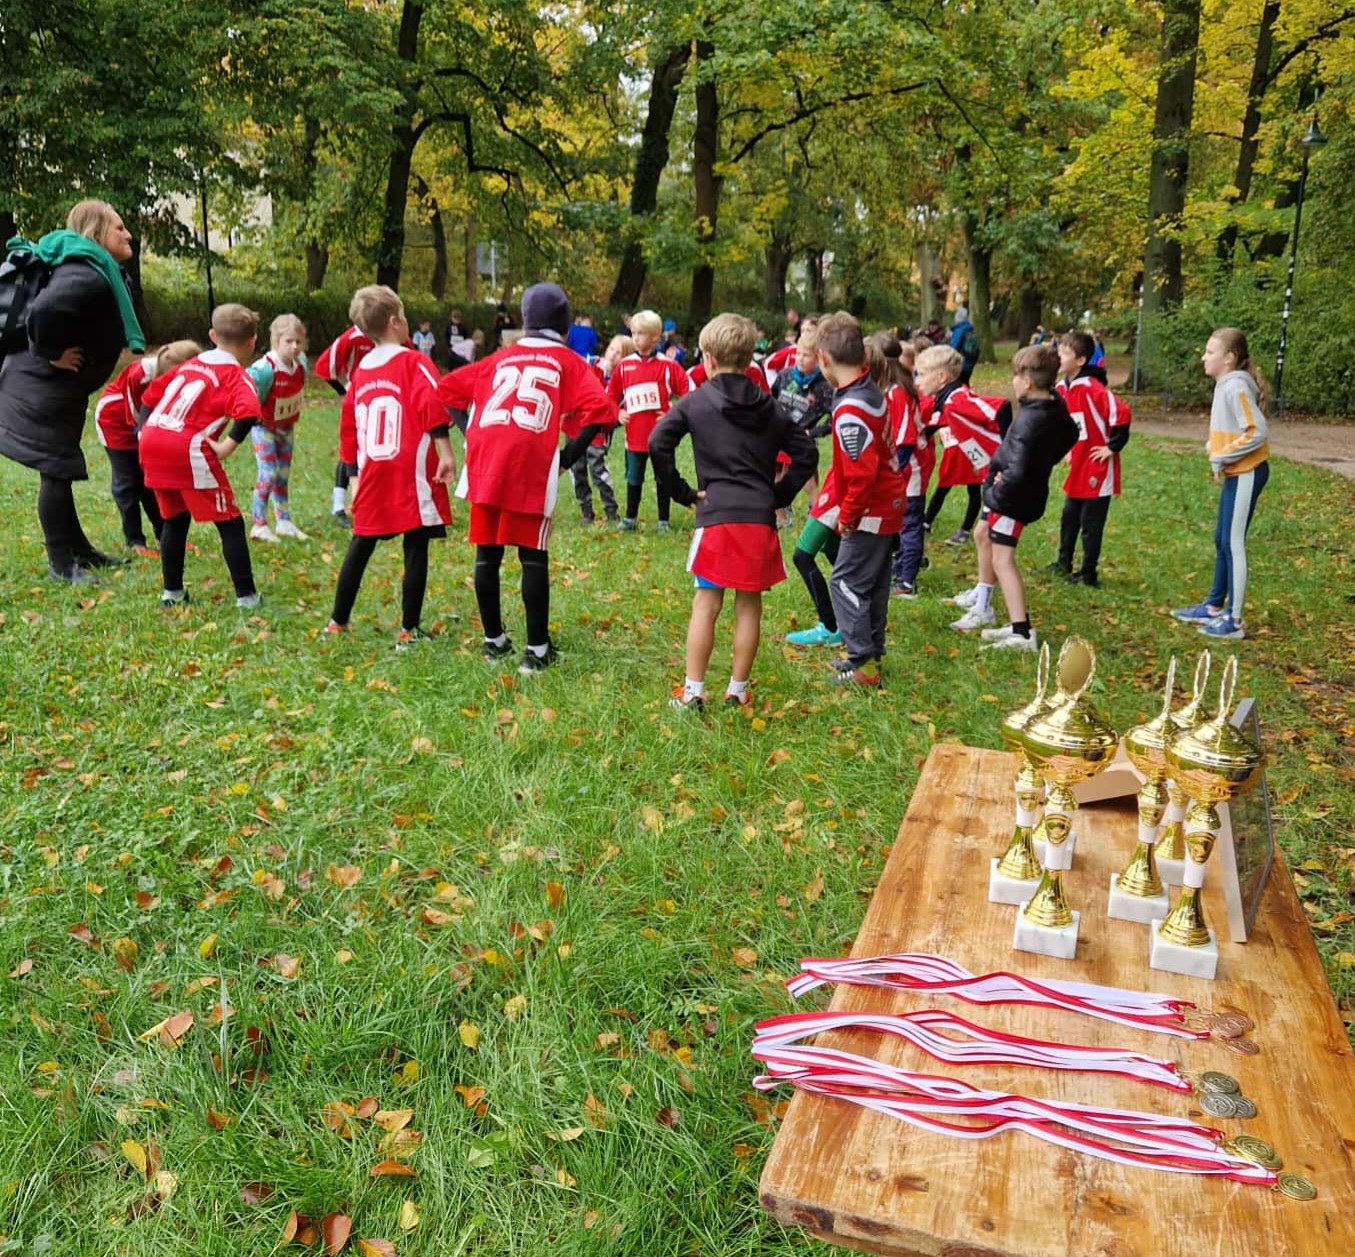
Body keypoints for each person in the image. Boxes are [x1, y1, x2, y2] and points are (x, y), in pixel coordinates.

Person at [438, 282, 614, 674]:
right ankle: (536, 651)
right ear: (565, 326)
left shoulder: (501, 357)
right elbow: (603, 410)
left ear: (525, 321)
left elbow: (447, 389)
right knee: (532, 555)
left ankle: (493, 641)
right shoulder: (568, 360)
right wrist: (568, 455)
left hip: (486, 457)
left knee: (487, 552)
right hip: (530, 460)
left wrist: (469, 431)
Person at [650, 313, 816, 711]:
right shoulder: (769, 406)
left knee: (706, 604)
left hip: (717, 516)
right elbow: (806, 453)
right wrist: (778, 495)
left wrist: (682, 492)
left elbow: (657, 442)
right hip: (758, 519)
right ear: (748, 358)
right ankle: (737, 690)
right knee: (749, 605)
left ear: (707, 358)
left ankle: (693, 692)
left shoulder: (696, 401)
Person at [0, 199, 145, 583]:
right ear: (97, 233)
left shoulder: (88, 268)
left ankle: (78, 549)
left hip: (50, 389)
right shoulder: (84, 273)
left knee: (59, 465)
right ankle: (61, 564)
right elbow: (43, 312)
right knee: (56, 467)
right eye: (119, 228)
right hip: (39, 387)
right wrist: (51, 353)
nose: (128, 235)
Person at [324, 286, 456, 649]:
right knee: (416, 544)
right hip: (410, 468)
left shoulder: (361, 372)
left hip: (372, 468)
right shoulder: (414, 362)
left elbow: (348, 429)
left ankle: (337, 621)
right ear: (396, 322)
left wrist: (353, 475)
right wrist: (445, 451)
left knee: (362, 540)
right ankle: (408, 630)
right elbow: (433, 404)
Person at [137, 303, 264, 610]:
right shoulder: (237, 376)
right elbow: (249, 411)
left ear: (212, 335)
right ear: (252, 342)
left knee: (174, 519)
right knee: (229, 521)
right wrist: (228, 446)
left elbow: (149, 396)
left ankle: (172, 593)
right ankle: (247, 598)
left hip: (152, 440)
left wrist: (142, 430)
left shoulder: (190, 365)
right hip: (187, 447)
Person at [951, 342, 1078, 648]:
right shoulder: (1052, 405)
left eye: (1015, 376)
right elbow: (1071, 433)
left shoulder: (1028, 420)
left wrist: (995, 493)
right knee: (982, 534)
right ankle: (984, 605)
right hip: (1018, 493)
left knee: (1002, 559)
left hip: (1013, 499)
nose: (1013, 381)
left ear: (1028, 381)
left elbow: (1018, 471)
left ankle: (1021, 631)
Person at [816, 312, 906, 689]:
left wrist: (848, 515)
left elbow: (861, 475)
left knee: (845, 582)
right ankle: (871, 651)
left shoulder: (851, 410)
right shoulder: (869, 389)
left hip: (870, 511)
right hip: (889, 504)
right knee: (874, 581)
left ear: (823, 359)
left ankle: (861, 662)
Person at [1170, 328, 1271, 641]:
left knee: (1233, 543)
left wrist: (1221, 456)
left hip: (1248, 472)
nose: (1203, 357)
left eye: (1210, 352)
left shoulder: (1236, 386)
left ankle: (1234, 620)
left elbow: (1256, 431)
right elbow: (1229, 431)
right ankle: (1214, 606)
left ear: (1228, 358)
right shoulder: (1226, 384)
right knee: (1222, 539)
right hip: (1236, 472)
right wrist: (1215, 452)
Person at [94, 339, 199, 556]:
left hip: (143, 426)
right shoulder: (140, 374)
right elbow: (135, 412)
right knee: (128, 482)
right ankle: (134, 541)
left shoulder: (185, 377)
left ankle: (164, 535)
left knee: (150, 482)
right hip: (114, 422)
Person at [1047, 330, 1130, 588]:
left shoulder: (1092, 388)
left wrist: (1111, 448)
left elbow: (1122, 413)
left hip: (1097, 466)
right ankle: (1063, 562)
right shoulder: (1061, 388)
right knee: (1069, 516)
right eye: (1058, 351)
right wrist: (1067, 448)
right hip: (1078, 464)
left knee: (1090, 524)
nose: (1058, 357)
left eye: (1065, 353)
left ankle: (1088, 573)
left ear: (1080, 361)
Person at [608, 309, 691, 532]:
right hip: (634, 437)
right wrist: (617, 412)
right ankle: (630, 518)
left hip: (660, 438)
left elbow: (687, 390)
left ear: (655, 337)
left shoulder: (667, 365)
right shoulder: (624, 365)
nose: (635, 338)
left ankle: (663, 520)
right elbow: (610, 394)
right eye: (633, 333)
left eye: (641, 334)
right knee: (633, 477)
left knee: (663, 477)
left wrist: (673, 415)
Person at [916, 344, 1004, 549]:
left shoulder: (957, 399)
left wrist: (1007, 455)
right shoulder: (945, 401)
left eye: (921, 374)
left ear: (941, 377)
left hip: (1002, 470)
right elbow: (935, 423)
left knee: (994, 541)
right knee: (983, 535)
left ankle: (963, 530)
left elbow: (1001, 408)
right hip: (990, 469)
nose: (918, 381)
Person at [246, 313, 309, 542]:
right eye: (288, 341)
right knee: (268, 473)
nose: (294, 347)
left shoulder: (301, 365)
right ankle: (259, 523)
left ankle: (283, 521)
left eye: (298, 342)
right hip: (264, 428)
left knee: (282, 474)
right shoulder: (265, 369)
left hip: (286, 427)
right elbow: (250, 396)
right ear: (276, 340)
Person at [769, 326, 834, 528]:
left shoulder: (824, 387)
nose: (800, 359)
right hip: (778, 435)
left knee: (808, 482)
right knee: (774, 476)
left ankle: (818, 519)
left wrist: (812, 432)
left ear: (818, 358)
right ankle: (781, 518)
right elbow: (771, 399)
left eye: (806, 355)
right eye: (798, 353)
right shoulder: (785, 376)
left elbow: (834, 419)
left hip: (801, 441)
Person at [314, 317, 375, 529]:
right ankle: (338, 505)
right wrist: (345, 392)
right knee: (350, 448)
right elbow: (324, 367)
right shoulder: (352, 337)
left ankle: (376, 502)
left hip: (386, 396)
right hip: (359, 399)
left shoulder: (391, 332)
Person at [573, 334, 628, 524]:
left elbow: (620, 410)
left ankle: (611, 511)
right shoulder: (592, 364)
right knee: (577, 469)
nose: (613, 355)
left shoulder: (622, 380)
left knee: (598, 470)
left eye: (619, 353)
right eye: (611, 349)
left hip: (598, 431)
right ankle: (586, 510)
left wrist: (612, 421)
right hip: (577, 425)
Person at [949, 305, 981, 384]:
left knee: (958, 384)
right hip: (969, 362)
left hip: (961, 363)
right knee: (965, 383)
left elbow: (953, 347)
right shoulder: (969, 329)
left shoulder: (959, 330)